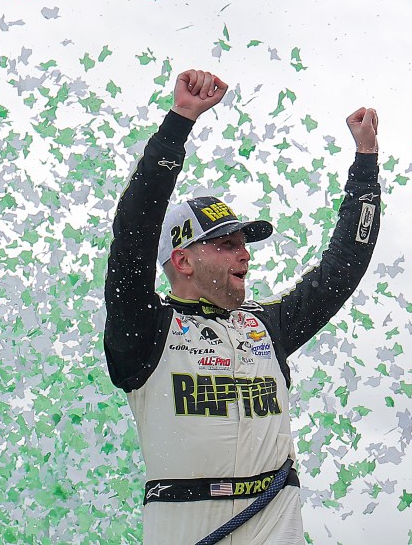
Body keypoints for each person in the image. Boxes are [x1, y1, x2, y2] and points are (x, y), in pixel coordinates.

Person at [104, 68, 381, 545]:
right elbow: (133, 232)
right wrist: (179, 122)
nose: (244, 255)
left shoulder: (265, 327)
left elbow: (344, 267)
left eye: (243, 243)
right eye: (226, 245)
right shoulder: (144, 328)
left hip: (275, 521)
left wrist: (366, 163)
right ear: (183, 261)